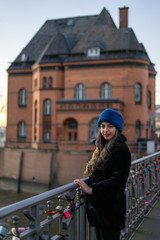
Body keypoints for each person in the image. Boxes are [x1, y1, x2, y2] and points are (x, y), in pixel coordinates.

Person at [74, 109, 131, 240]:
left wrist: (91, 189)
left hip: (111, 213)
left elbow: (117, 182)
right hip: (101, 211)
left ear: (117, 128)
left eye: (110, 126)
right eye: (103, 126)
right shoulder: (104, 147)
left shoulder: (120, 149)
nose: (106, 130)